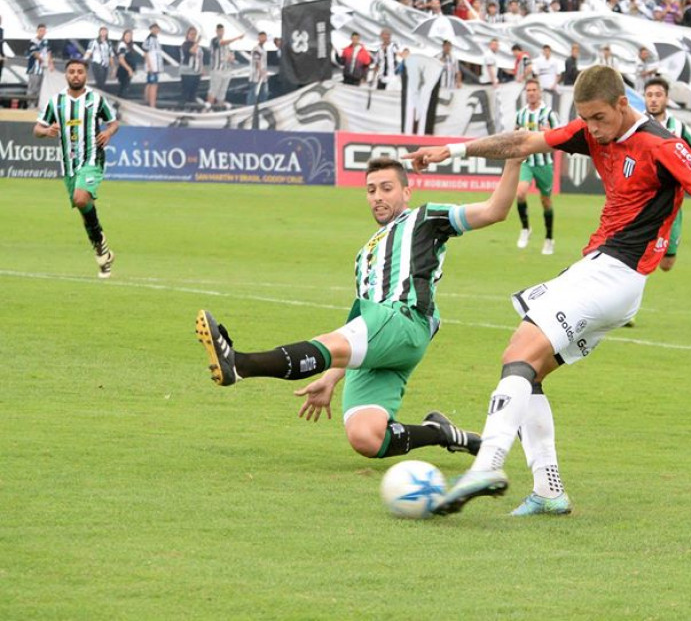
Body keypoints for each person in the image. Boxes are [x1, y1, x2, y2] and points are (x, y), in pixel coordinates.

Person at [403, 66, 691, 516]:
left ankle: (487, 465)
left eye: (598, 118)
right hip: (608, 275)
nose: (591, 129)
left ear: (621, 105)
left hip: (615, 272)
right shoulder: (593, 132)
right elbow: (521, 142)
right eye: (585, 119)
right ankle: (548, 489)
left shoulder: (661, 144)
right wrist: (448, 149)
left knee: (520, 351)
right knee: (526, 368)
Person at [196, 156, 524, 464]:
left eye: (386, 188)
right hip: (383, 336)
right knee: (366, 437)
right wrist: (331, 376)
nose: (377, 196)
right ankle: (440, 433)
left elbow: (495, 210)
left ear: (407, 191)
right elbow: (359, 332)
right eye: (371, 190)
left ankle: (240, 365)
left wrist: (513, 161)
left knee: (332, 342)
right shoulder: (365, 253)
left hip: (403, 319)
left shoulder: (424, 219)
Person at [32, 59, 118, 278]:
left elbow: (113, 122)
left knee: (81, 199)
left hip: (92, 159)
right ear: (66, 75)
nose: (76, 75)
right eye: (72, 72)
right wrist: (46, 130)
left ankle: (100, 247)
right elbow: (37, 128)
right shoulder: (57, 101)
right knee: (83, 206)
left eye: (80, 72)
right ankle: (102, 249)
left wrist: (108, 133)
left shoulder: (96, 99)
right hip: (69, 165)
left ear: (86, 75)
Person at [643, 76, 691, 271]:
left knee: (667, 263)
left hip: (671, 201)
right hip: (641, 199)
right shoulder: (636, 124)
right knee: (635, 257)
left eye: (658, 95)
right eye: (649, 95)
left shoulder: (678, 127)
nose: (653, 99)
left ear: (666, 98)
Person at [514, 78, 559, 255]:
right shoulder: (521, 113)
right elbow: (515, 132)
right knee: (520, 193)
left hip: (544, 163)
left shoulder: (548, 113)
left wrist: (548, 134)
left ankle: (549, 238)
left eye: (534, 90)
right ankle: (525, 228)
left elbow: (560, 137)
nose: (531, 93)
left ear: (540, 92)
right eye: (528, 90)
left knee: (545, 201)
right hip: (527, 162)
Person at [206, 24, 243, 110]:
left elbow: (230, 56)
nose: (221, 32)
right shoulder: (214, 41)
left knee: (222, 91)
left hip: (226, 70)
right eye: (219, 31)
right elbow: (222, 43)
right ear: (216, 31)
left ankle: (219, 108)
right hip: (217, 70)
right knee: (213, 90)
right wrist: (237, 38)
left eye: (222, 31)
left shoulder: (227, 45)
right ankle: (208, 109)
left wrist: (231, 58)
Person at [179, 26, 204, 107]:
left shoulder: (197, 46)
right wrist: (197, 43)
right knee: (186, 90)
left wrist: (202, 68)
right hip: (187, 70)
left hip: (196, 70)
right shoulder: (185, 44)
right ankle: (183, 106)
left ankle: (192, 105)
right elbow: (191, 51)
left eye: (195, 34)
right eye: (192, 34)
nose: (193, 36)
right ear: (188, 35)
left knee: (194, 91)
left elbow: (199, 57)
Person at [26, 23, 50, 104]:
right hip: (34, 69)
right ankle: (30, 105)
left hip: (43, 69)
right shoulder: (33, 41)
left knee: (40, 88)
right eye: (40, 30)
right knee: (33, 87)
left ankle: (37, 105)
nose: (42, 32)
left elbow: (49, 52)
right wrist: (44, 60)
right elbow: (35, 54)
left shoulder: (46, 41)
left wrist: (50, 63)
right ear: (37, 31)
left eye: (43, 31)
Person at [142, 23, 162, 109]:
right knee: (153, 85)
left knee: (150, 83)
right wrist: (149, 65)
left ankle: (147, 101)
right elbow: (146, 53)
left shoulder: (156, 39)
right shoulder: (149, 39)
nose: (156, 30)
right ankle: (152, 104)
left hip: (156, 66)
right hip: (153, 66)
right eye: (154, 29)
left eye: (157, 29)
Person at [247, 31, 269, 106]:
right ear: (258, 38)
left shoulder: (264, 49)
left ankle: (262, 107)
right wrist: (261, 73)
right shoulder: (256, 49)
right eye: (262, 37)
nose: (263, 39)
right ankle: (249, 108)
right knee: (253, 94)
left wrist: (265, 74)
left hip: (263, 76)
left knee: (264, 94)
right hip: (256, 76)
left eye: (265, 37)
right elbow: (257, 62)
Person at [114, 29, 136, 100]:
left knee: (124, 88)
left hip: (126, 70)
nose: (128, 37)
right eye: (127, 36)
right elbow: (121, 59)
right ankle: (120, 105)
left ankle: (119, 104)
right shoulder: (122, 45)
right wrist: (129, 69)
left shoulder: (128, 45)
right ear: (123, 36)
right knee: (124, 89)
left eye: (130, 36)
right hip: (124, 70)